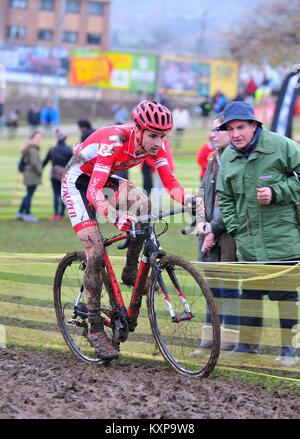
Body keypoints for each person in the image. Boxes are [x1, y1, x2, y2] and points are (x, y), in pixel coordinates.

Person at [61, 100, 200, 361]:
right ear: (138, 129)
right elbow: (93, 191)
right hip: (78, 181)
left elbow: (170, 184)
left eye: (162, 136)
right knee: (96, 250)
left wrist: (190, 201)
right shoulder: (114, 141)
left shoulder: (156, 146)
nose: (158, 142)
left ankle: (131, 269)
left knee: (143, 204)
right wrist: (114, 216)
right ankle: (94, 329)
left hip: (106, 177)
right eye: (153, 135)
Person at [216, 101, 300, 366]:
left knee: (285, 295)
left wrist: (276, 193)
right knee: (251, 294)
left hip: (283, 238)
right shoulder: (228, 156)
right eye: (230, 129)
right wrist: (235, 228)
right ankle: (246, 347)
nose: (236, 134)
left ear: (254, 125)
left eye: (241, 127)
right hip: (248, 242)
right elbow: (225, 197)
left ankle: (288, 349)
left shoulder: (281, 146)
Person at [195, 115, 240, 353]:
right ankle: (208, 341)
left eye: (217, 129)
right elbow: (202, 194)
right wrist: (202, 224)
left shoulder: (235, 159)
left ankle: (230, 342)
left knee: (229, 288)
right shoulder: (213, 158)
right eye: (211, 130)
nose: (212, 134)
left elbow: (231, 202)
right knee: (210, 288)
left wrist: (213, 229)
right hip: (209, 231)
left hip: (229, 234)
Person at [42, 128, 73, 220]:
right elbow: (73, 163)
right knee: (64, 194)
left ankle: (55, 214)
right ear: (65, 138)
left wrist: (39, 169)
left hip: (54, 174)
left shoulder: (52, 149)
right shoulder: (69, 149)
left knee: (55, 194)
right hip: (66, 175)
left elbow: (45, 162)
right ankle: (62, 214)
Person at [16, 130, 43, 222]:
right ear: (32, 138)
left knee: (28, 194)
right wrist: (40, 171)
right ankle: (27, 214)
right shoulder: (33, 149)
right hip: (32, 174)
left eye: (40, 137)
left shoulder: (30, 147)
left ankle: (20, 213)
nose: (39, 139)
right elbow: (34, 163)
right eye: (37, 137)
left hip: (28, 173)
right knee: (29, 195)